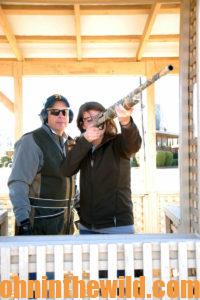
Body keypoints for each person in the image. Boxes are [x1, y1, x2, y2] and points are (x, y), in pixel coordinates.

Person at [61, 101, 142, 234]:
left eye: (99, 117)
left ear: (107, 120)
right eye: (88, 119)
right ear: (82, 124)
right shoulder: (80, 146)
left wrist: (126, 121)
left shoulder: (117, 142)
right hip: (86, 226)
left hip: (117, 226)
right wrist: (85, 142)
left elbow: (133, 145)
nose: (95, 122)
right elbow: (66, 170)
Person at [8, 94, 77, 235]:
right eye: (55, 112)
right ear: (46, 116)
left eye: (64, 111)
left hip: (64, 226)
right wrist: (24, 222)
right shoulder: (31, 141)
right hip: (37, 226)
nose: (61, 115)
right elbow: (18, 183)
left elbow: (71, 185)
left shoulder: (70, 144)